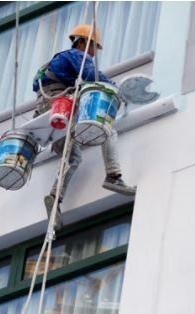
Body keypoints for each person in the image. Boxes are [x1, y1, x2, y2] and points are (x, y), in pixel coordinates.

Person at [33, 24, 136, 231]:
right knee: (105, 126)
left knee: (73, 157)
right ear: (82, 42)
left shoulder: (54, 63)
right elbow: (91, 74)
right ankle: (113, 176)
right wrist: (115, 89)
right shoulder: (77, 55)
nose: (93, 53)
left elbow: (37, 85)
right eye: (93, 47)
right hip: (61, 103)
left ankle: (55, 198)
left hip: (49, 113)